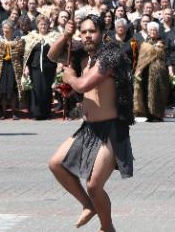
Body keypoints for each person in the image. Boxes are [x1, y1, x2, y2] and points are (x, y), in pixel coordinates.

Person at [47, 14, 134, 232]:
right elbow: (52, 55)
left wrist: (70, 79)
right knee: (56, 163)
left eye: (91, 31)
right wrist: (65, 35)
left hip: (111, 129)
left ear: (102, 33)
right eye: (83, 31)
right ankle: (88, 205)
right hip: (89, 128)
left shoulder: (110, 57)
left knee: (94, 185)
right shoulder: (82, 55)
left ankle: (107, 228)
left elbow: (84, 84)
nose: (87, 35)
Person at [23, 14, 60, 120]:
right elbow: (27, 53)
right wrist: (26, 67)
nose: (43, 26)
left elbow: (57, 53)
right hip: (35, 67)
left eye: (45, 24)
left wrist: (58, 64)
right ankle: (36, 113)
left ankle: (46, 113)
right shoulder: (32, 37)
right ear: (37, 25)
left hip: (49, 66)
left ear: (48, 25)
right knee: (36, 89)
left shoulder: (54, 36)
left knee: (47, 89)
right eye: (41, 24)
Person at [133, 21, 169, 122]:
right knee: (146, 93)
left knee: (158, 94)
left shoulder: (162, 43)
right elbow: (142, 59)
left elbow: (165, 56)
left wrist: (158, 48)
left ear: (157, 32)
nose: (153, 32)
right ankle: (148, 114)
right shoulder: (144, 44)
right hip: (146, 72)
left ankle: (157, 115)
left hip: (159, 73)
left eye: (155, 30)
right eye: (151, 30)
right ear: (148, 31)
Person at [0, 20, 25, 120]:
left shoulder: (18, 41)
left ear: (12, 29)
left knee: (14, 89)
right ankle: (2, 112)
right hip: (1, 67)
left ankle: (14, 112)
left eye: (8, 28)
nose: (6, 30)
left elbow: (22, 56)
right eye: (4, 28)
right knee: (2, 90)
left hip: (14, 67)